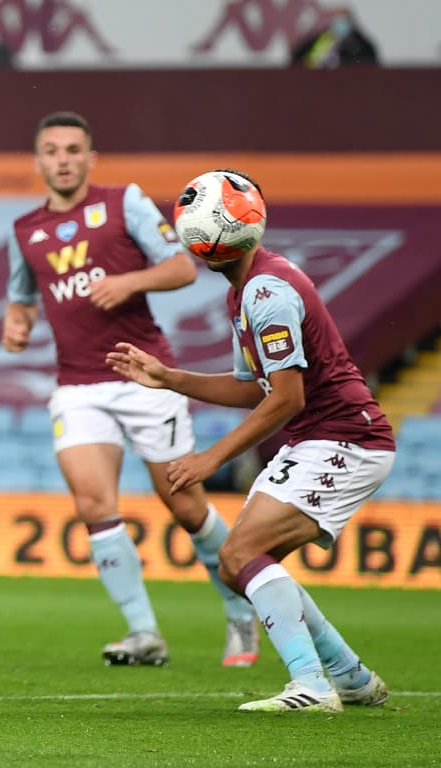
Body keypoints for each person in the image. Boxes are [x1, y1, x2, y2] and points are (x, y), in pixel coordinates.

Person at [107, 168, 394, 712]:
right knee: (240, 566)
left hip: (347, 439)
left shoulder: (267, 293)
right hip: (322, 437)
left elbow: (287, 399)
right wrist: (170, 378)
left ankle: (312, 685)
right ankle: (350, 677)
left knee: (240, 554)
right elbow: (254, 388)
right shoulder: (249, 290)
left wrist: (209, 459)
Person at [3, 111, 258, 668]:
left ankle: (240, 608)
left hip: (145, 376)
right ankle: (144, 632)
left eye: (73, 150)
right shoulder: (25, 230)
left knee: (186, 506)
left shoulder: (124, 203)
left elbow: (182, 269)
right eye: (53, 150)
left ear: (90, 158)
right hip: (77, 385)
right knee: (93, 503)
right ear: (39, 161)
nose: (63, 159)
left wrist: (128, 282)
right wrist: (16, 325)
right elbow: (21, 298)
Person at [290, 6, 378, 69]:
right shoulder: (320, 40)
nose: (340, 21)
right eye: (337, 17)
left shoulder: (358, 43)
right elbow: (298, 58)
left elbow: (371, 58)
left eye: (344, 18)